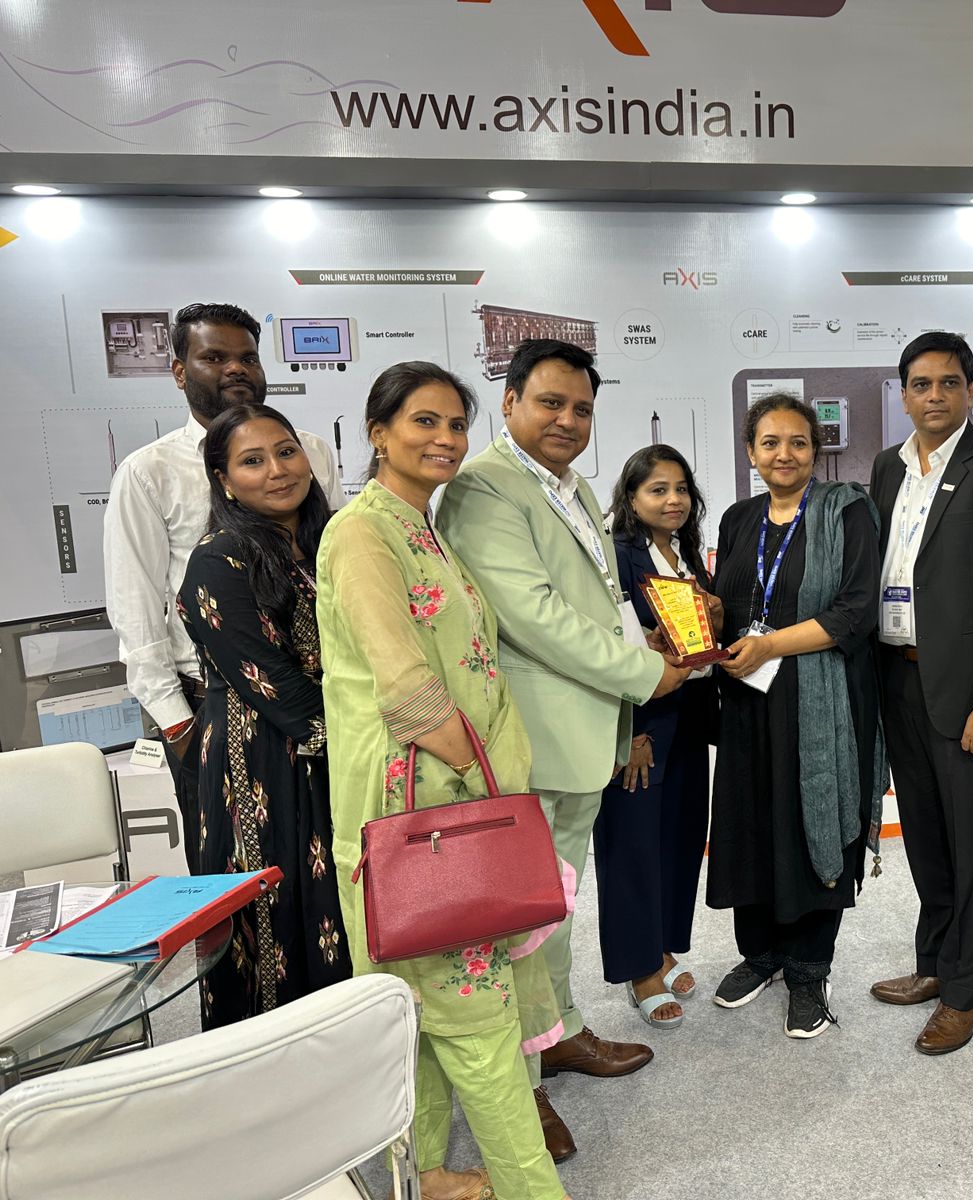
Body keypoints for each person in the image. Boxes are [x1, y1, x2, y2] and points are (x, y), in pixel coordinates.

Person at [319, 362, 570, 1200]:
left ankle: (425, 1176)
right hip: (420, 807)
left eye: (457, 424)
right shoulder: (362, 533)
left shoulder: (422, 528)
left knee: (423, 1013)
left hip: (452, 796)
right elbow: (407, 688)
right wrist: (479, 780)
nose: (446, 439)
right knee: (476, 1022)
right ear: (378, 433)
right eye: (424, 421)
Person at [436, 339, 685, 1156]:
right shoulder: (484, 489)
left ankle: (563, 1030)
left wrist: (641, 656)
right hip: (529, 743)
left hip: (583, 732)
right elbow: (532, 614)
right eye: (550, 403)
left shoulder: (568, 485)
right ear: (509, 403)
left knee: (557, 906)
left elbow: (600, 603)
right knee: (520, 923)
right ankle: (522, 1083)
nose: (568, 420)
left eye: (581, 408)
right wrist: (644, 674)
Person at [106, 302, 336, 874]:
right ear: (179, 371)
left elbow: (331, 560)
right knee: (243, 881)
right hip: (214, 708)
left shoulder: (310, 450)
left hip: (327, 702)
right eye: (214, 357)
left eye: (247, 358)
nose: (235, 368)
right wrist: (179, 725)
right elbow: (136, 605)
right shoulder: (148, 471)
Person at [867, 331, 973, 1055]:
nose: (934, 396)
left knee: (971, 845)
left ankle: (966, 992)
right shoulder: (886, 467)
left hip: (967, 691)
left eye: (948, 383)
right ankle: (935, 963)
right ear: (904, 395)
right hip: (897, 676)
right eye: (920, 384)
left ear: (972, 391)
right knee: (925, 836)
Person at [709, 392, 886, 1039]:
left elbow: (855, 611)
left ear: (816, 449)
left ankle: (810, 969)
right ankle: (761, 955)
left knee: (815, 827)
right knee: (753, 826)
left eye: (798, 442)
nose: (784, 454)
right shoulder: (738, 518)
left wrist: (771, 644)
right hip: (748, 704)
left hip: (820, 701)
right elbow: (730, 605)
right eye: (770, 442)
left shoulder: (846, 511)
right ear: (750, 452)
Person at [176, 403, 350, 1029]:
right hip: (259, 760)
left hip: (340, 743)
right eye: (253, 461)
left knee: (344, 908)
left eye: (286, 451)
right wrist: (356, 737)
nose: (278, 470)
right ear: (223, 480)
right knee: (273, 921)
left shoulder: (335, 538)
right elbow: (267, 678)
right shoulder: (218, 559)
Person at [594, 445, 721, 1029]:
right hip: (645, 717)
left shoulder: (686, 553)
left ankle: (664, 947)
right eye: (658, 490)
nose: (673, 500)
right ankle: (639, 968)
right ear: (631, 497)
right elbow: (614, 649)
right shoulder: (617, 557)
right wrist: (631, 733)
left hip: (691, 712)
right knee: (632, 846)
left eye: (681, 489)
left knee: (679, 837)